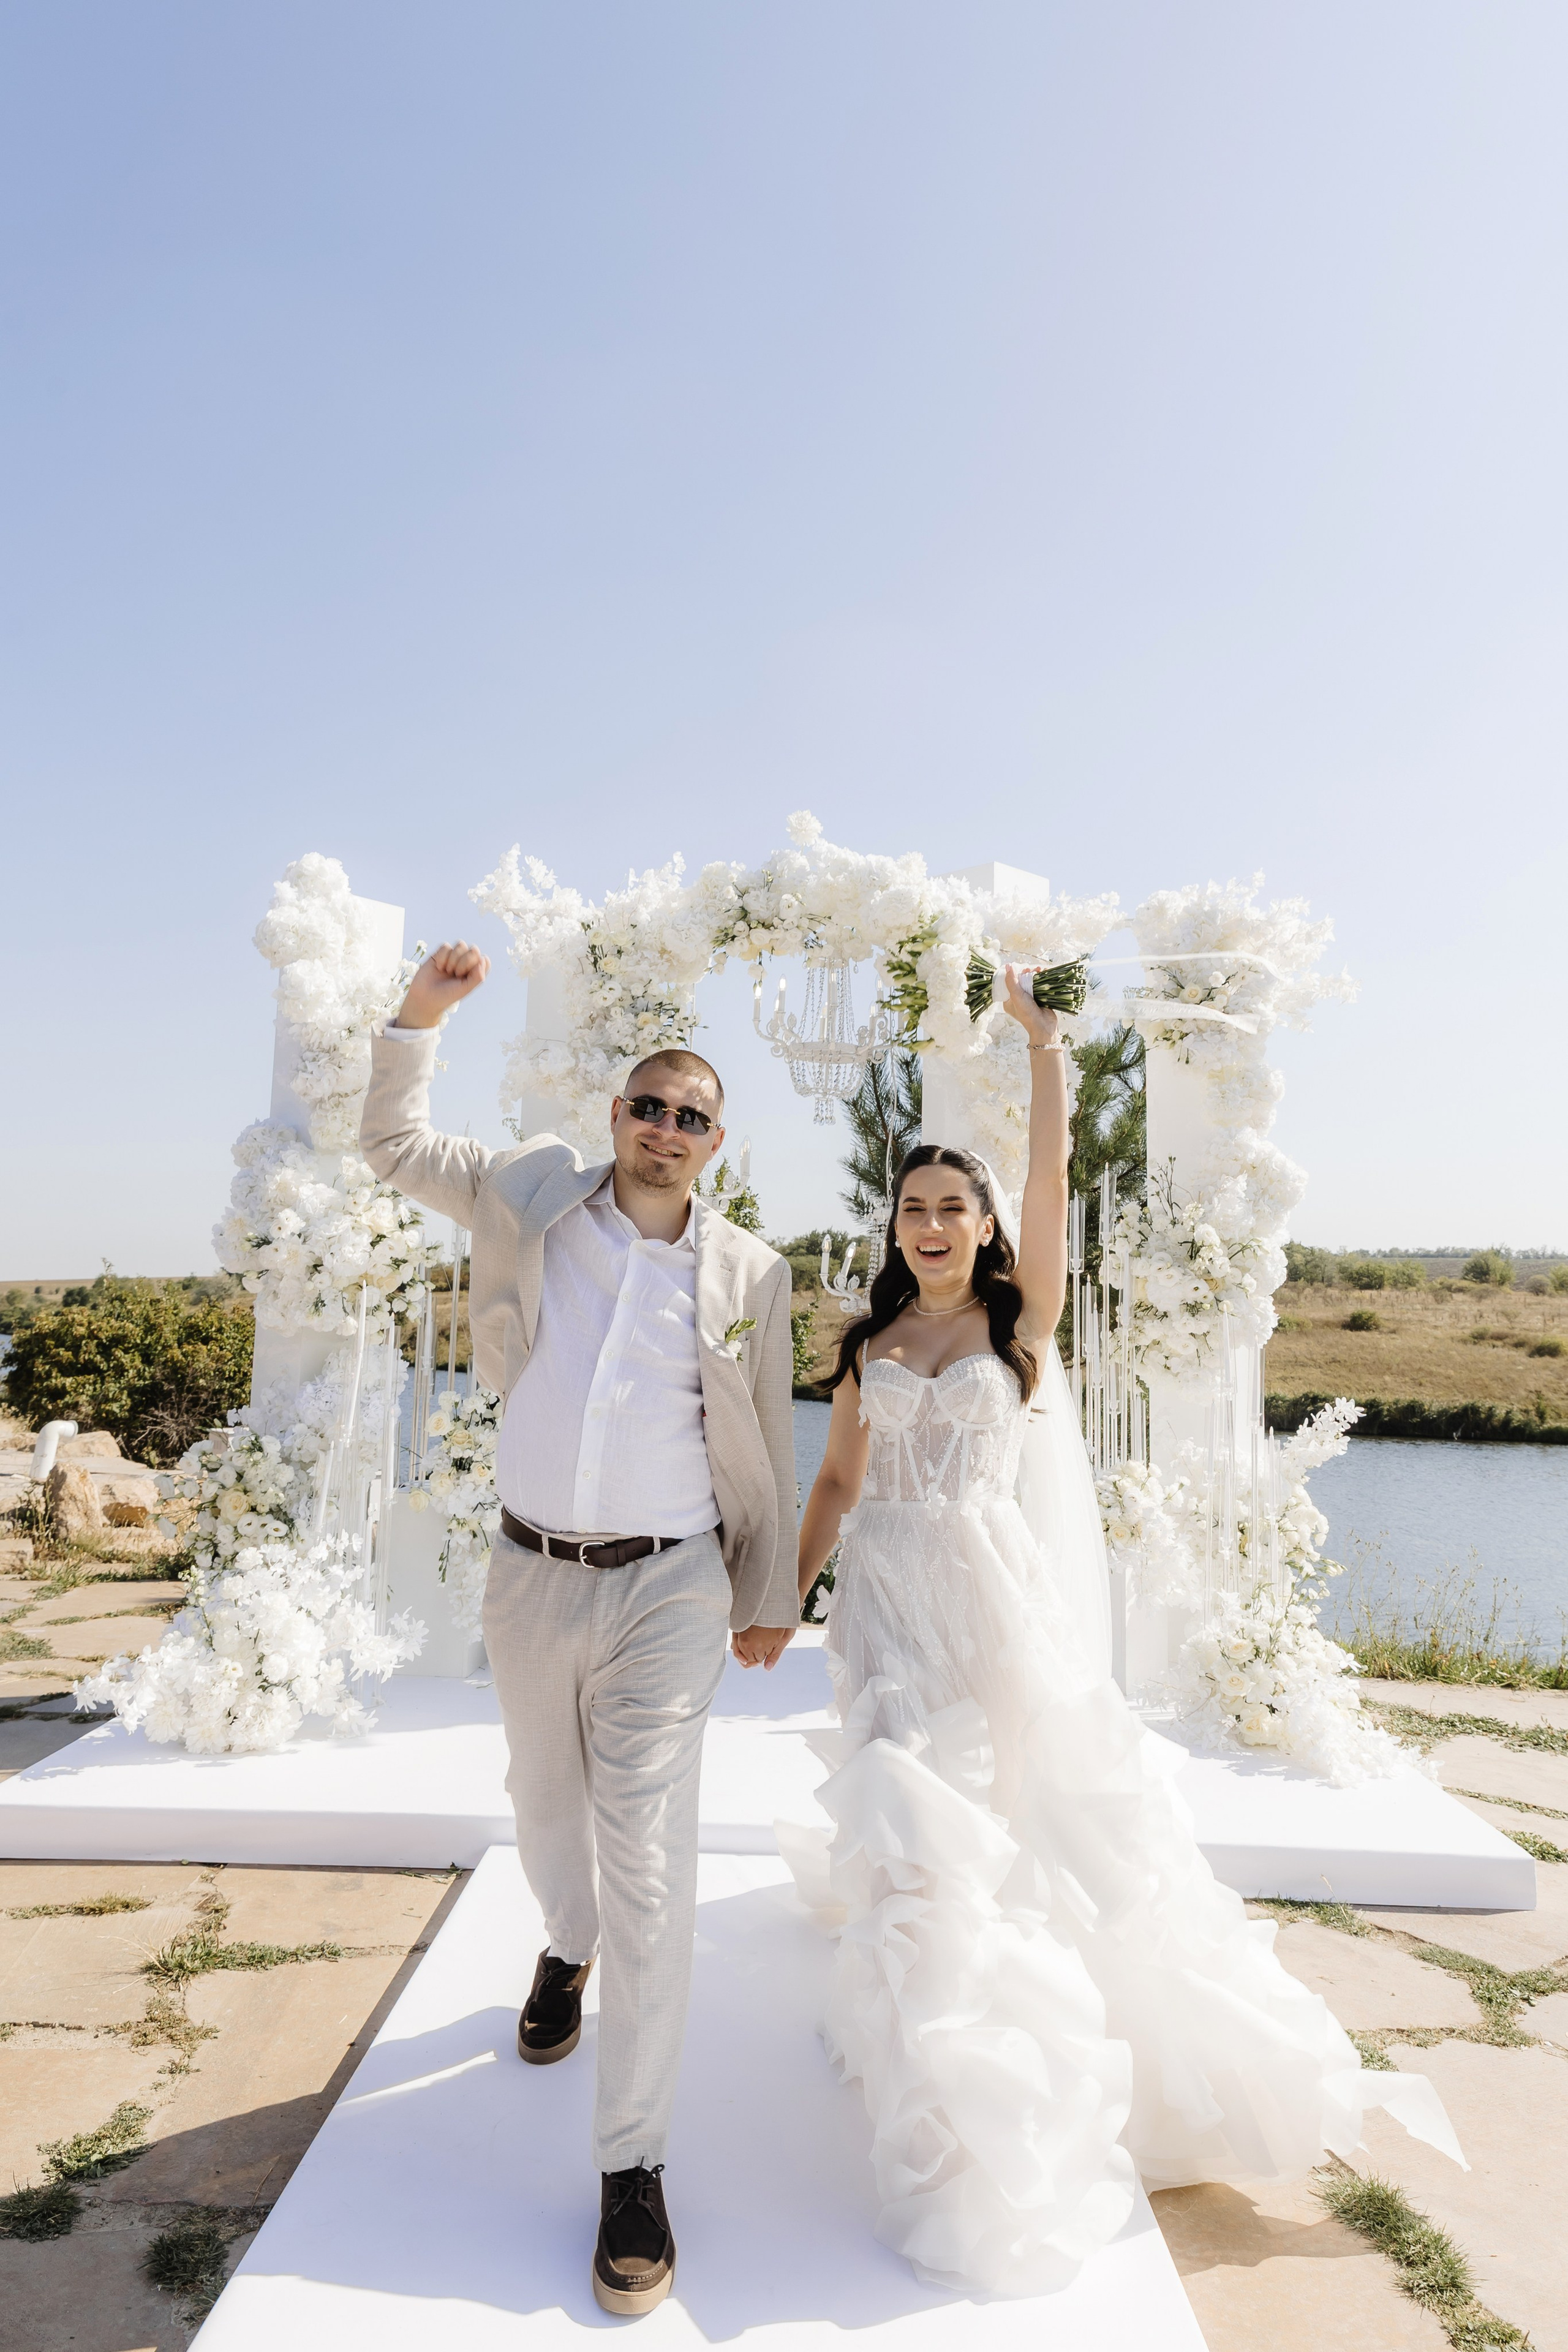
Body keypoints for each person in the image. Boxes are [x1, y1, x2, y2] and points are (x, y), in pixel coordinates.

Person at [791, 964, 1462, 2297]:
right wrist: (780, 1597)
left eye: (951, 1208)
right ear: (892, 1226)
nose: (931, 1225)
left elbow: (1050, 1186)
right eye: (911, 1208)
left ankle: (1034, 2055)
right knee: (909, 1815)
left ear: (980, 1229)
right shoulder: (866, 1343)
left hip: (984, 1597)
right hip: (881, 1599)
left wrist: (1045, 1050)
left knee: (1015, 1809)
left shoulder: (1010, 1321)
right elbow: (835, 1484)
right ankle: (930, 2053)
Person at [361, 941, 799, 2318]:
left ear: (718, 1141)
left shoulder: (750, 1271)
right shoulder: (530, 1197)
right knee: (545, 1810)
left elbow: (765, 1440)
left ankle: (632, 2166)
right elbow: (387, 1144)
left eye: (691, 1115)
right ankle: (565, 1939)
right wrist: (420, 1015)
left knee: (650, 1863)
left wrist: (766, 1589)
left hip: (668, 1588)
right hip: (528, 1573)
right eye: (646, 1106)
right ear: (614, 1117)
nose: (665, 1129)